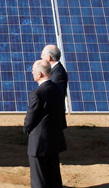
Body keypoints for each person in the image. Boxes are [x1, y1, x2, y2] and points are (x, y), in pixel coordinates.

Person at [24, 60, 67, 188]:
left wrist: (26, 129)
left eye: (33, 70)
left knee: (39, 179)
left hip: (39, 143)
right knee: (53, 175)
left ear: (40, 74)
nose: (31, 72)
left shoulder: (37, 94)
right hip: (55, 140)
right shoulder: (59, 88)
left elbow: (30, 119)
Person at [41, 44, 68, 129]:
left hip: (53, 119)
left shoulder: (58, 74)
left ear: (49, 57)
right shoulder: (55, 70)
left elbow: (52, 96)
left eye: (42, 55)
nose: (41, 57)